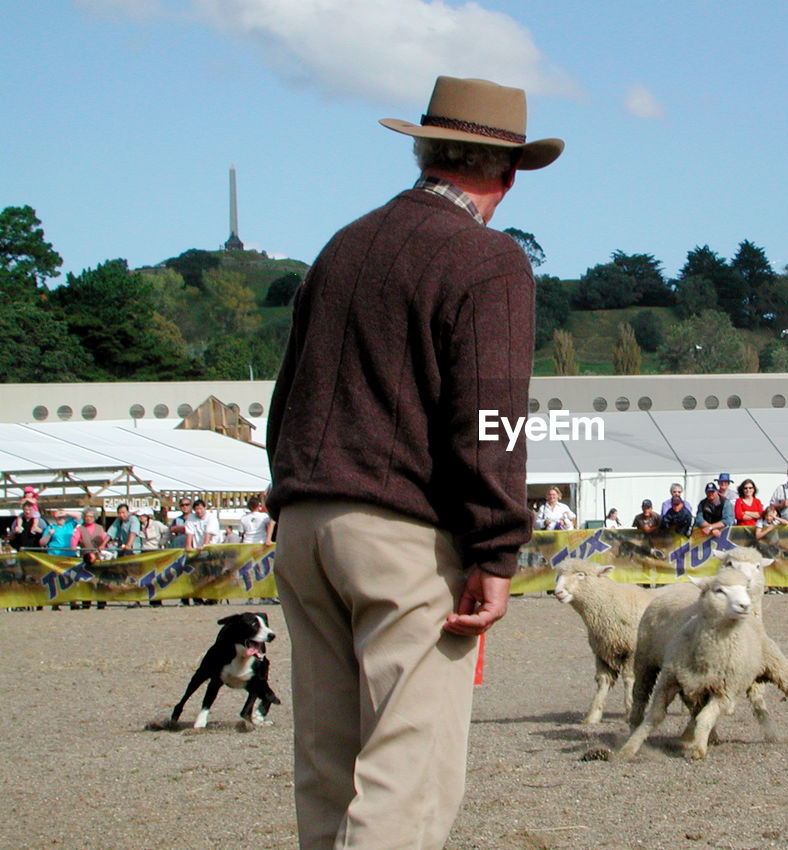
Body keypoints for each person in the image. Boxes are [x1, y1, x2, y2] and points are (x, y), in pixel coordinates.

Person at [266, 75, 561, 850]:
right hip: (399, 536)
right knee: (409, 778)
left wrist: (289, 499)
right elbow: (491, 418)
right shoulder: (489, 260)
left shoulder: (345, 244)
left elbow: (288, 391)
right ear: (510, 171)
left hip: (305, 523)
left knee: (328, 766)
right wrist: (498, 548)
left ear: (426, 152)